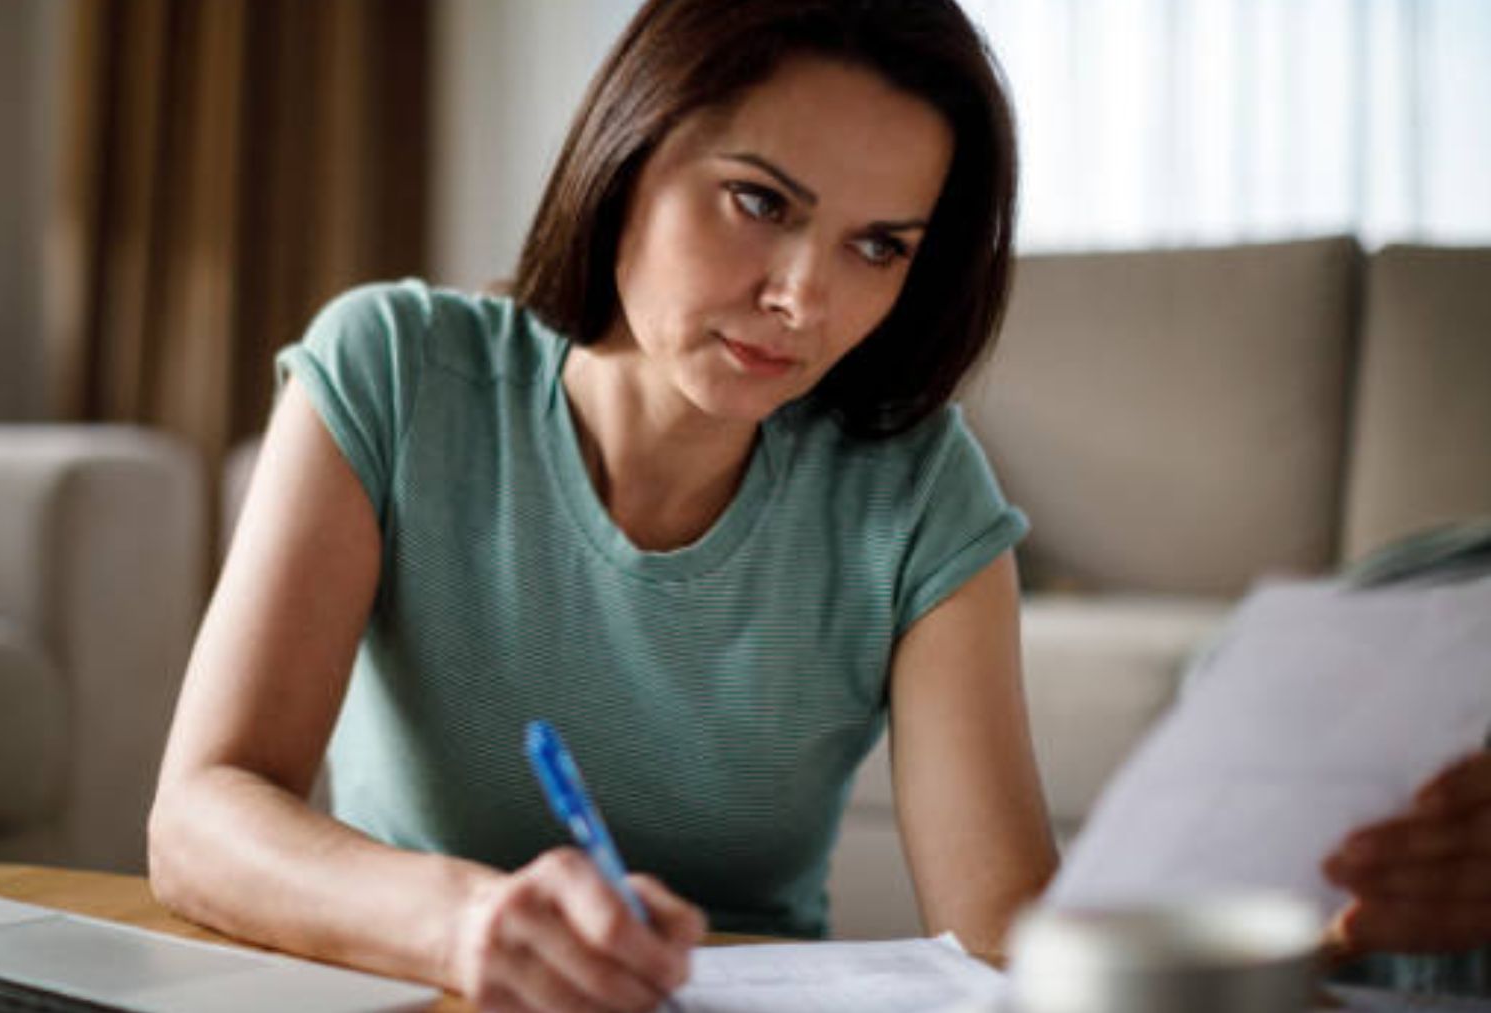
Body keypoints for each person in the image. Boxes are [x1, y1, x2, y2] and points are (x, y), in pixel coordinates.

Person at [147, 2, 1491, 1010]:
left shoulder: (915, 490)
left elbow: (1012, 934)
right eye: (758, 202)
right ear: (628, 150)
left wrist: (1339, 933)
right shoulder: (390, 369)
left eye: (877, 246)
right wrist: (467, 924)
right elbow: (203, 810)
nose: (806, 297)